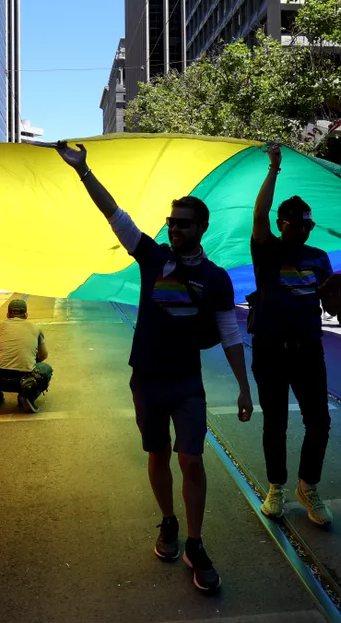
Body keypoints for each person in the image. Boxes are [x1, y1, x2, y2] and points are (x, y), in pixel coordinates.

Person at [52, 140, 253, 594]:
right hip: (146, 378)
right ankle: (168, 522)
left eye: (182, 224)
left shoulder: (216, 279)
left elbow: (230, 335)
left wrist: (244, 388)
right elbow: (114, 214)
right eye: (170, 222)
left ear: (201, 227)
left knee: (192, 459)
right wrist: (83, 171)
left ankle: (196, 545)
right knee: (158, 454)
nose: (174, 229)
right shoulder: (153, 257)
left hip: (186, 384)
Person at [250, 143, 341, 527]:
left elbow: (334, 308)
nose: (303, 229)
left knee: (318, 421)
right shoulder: (266, 251)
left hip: (308, 350)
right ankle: (276, 488)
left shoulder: (320, 257)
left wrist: (334, 292)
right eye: (295, 223)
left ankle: (308, 487)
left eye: (307, 224)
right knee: (275, 421)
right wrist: (274, 169)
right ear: (281, 223)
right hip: (270, 350)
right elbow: (258, 213)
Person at [0, 298, 53, 413]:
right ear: (26, 315)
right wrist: (30, 359)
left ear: (8, 314)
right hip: (24, 379)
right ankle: (27, 395)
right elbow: (44, 355)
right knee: (47, 369)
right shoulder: (36, 328)